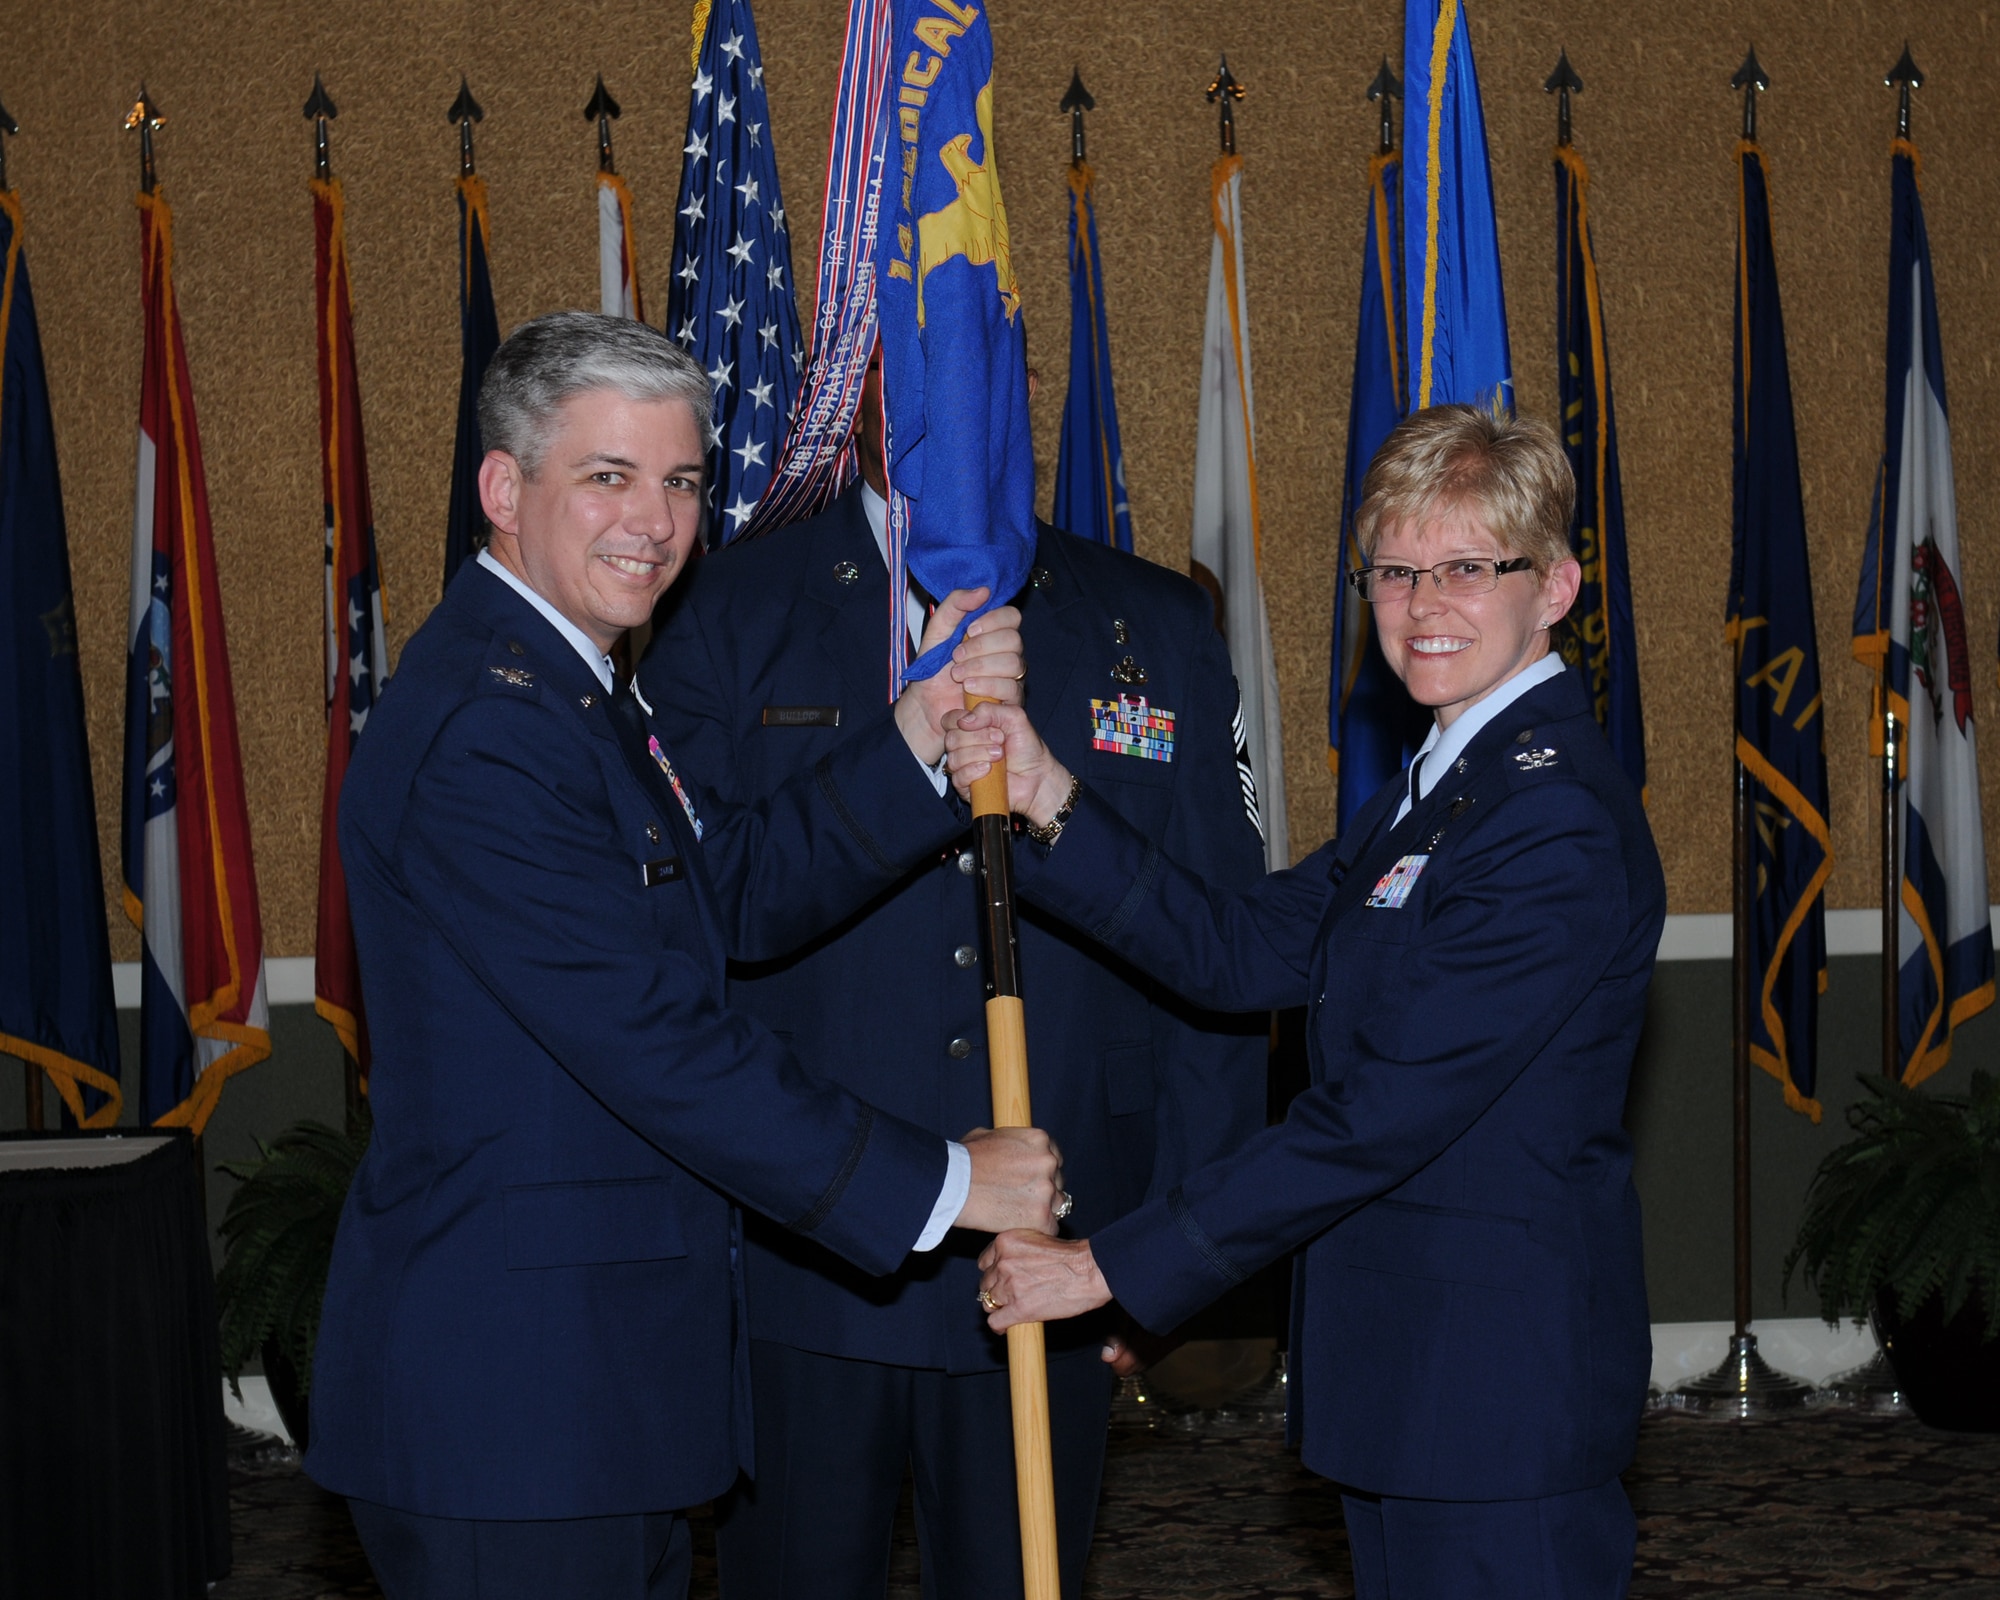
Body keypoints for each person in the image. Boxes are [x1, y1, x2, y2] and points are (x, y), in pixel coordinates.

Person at [306, 312, 1067, 1600]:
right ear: (503, 487)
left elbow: (723, 896)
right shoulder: (489, 731)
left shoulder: (570, 686)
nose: (653, 524)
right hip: (517, 1411)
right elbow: (656, 1043)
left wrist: (916, 739)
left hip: (592, 1400)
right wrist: (945, 1183)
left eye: (679, 482)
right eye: (606, 476)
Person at [954, 404, 1665, 1600]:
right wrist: (1047, 796)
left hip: (1494, 1386)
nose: (1421, 603)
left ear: (1553, 586)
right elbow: (1235, 947)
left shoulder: (1549, 823)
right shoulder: (1442, 788)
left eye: (1463, 567)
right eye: (1392, 570)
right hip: (1409, 1373)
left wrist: (1107, 1267)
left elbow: (1378, 1112)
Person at [637, 350, 1268, 1600]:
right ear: (849, 391)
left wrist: (1167, 1255)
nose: (940, 387)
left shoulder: (1155, 622)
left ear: (1019, 374)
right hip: (805, 1263)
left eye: (969, 348)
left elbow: (1219, 956)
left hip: (1056, 1251)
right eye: (902, 360)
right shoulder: (727, 610)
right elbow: (680, 936)